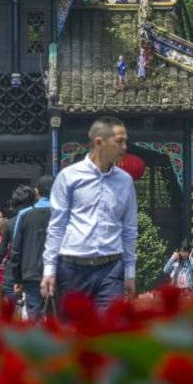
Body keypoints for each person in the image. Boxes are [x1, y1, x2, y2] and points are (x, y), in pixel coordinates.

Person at [41, 117, 138, 311]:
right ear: (99, 142)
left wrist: (130, 273)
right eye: (119, 141)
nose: (124, 147)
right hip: (72, 269)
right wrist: (49, 269)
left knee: (108, 327)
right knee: (73, 328)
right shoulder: (69, 177)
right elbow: (57, 226)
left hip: (111, 268)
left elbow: (129, 230)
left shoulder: (125, 181)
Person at [0, 186, 37, 309]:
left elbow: (2, 251)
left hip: (13, 273)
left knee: (13, 308)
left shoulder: (10, 224)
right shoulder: (40, 218)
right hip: (34, 269)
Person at [12, 175, 53, 319]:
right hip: (57, 273)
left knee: (34, 316)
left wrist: (17, 278)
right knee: (56, 317)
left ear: (36, 192)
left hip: (31, 274)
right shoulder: (62, 213)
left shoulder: (24, 214)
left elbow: (16, 250)